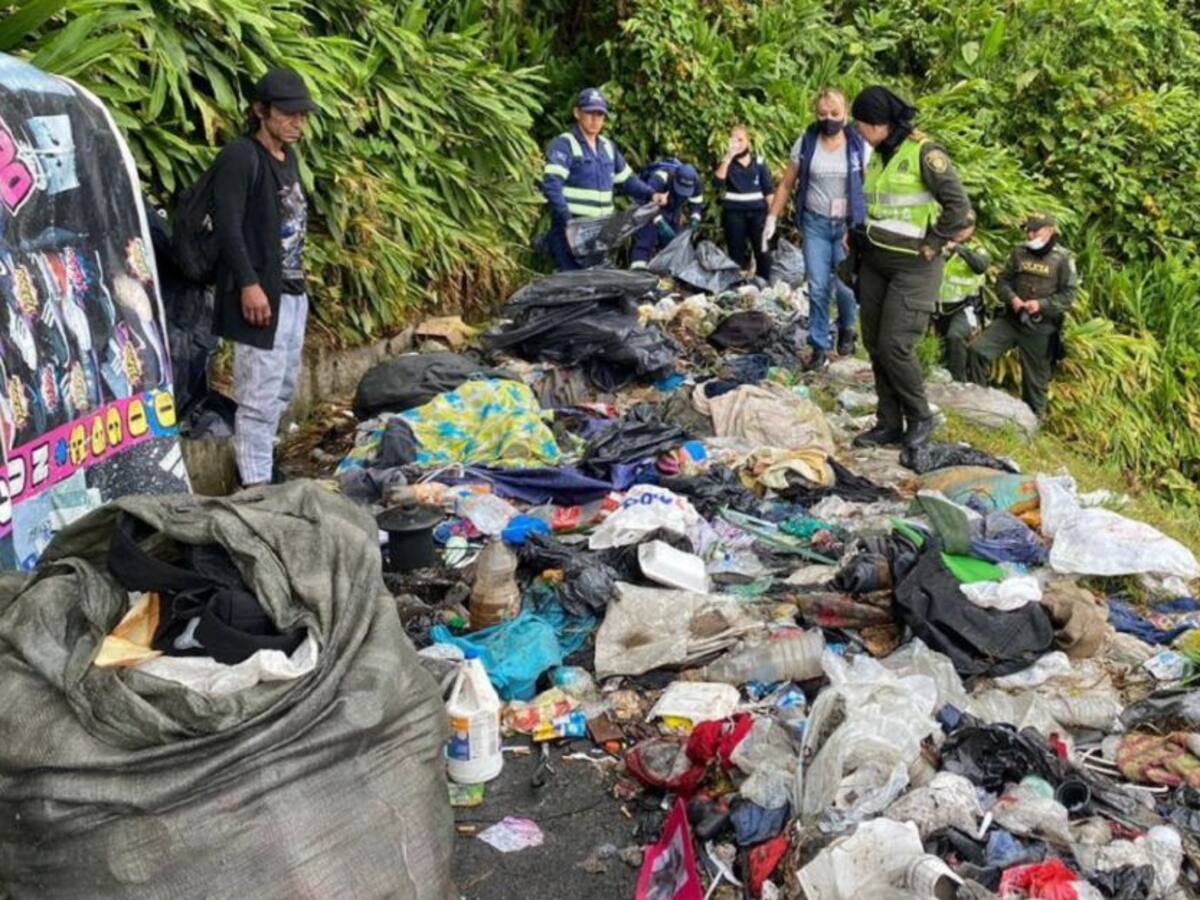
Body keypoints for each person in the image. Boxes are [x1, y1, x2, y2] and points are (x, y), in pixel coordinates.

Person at [847, 85, 973, 449]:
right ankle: (888, 422)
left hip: (914, 268)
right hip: (875, 262)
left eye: (862, 125)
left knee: (895, 346)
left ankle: (920, 416)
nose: (859, 132)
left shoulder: (924, 153)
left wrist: (934, 244)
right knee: (873, 343)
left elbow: (958, 208)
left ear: (882, 123)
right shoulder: (878, 155)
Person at [211, 67, 317, 487]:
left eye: (302, 115)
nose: (297, 123)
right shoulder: (241, 156)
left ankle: (264, 465)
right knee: (258, 392)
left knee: (283, 386)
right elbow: (228, 225)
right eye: (288, 114)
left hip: (291, 288)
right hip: (259, 292)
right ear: (260, 110)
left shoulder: (286, 157)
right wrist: (249, 285)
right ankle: (255, 485)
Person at [765, 88, 868, 370]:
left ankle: (847, 327)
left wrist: (863, 225)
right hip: (816, 224)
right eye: (822, 114)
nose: (829, 119)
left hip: (848, 226)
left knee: (846, 286)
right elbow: (787, 183)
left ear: (845, 113)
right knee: (819, 285)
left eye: (835, 114)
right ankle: (819, 345)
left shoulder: (859, 145)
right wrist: (772, 217)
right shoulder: (807, 141)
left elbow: (870, 187)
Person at [541, 88, 666, 271]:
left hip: (600, 231)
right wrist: (567, 222)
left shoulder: (608, 147)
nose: (595, 119)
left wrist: (651, 195)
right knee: (574, 284)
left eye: (599, 114)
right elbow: (552, 185)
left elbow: (628, 181)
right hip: (571, 229)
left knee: (596, 285)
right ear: (577, 113)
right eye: (590, 113)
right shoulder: (565, 144)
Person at [968, 212, 1077, 417]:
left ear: (1049, 231)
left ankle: (1033, 426)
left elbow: (1068, 296)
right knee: (977, 351)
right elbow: (1002, 281)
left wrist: (1041, 305)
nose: (1030, 234)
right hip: (1012, 320)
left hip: (1041, 327)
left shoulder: (1063, 259)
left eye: (1035, 230)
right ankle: (976, 406)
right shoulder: (1019, 252)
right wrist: (1013, 299)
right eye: (1028, 230)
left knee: (1035, 383)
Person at [715, 125, 774, 279]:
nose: (737, 143)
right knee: (735, 251)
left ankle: (763, 283)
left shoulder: (759, 163)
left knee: (762, 250)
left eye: (741, 139)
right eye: (734, 140)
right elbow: (718, 182)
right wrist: (728, 157)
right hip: (734, 213)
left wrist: (772, 216)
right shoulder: (727, 163)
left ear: (748, 141)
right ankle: (735, 285)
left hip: (758, 213)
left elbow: (768, 190)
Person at [933, 224, 990, 381]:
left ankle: (958, 381)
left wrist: (959, 248)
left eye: (965, 228)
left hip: (965, 307)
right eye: (958, 226)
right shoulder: (940, 243)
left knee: (955, 336)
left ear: (972, 229)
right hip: (937, 307)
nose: (960, 231)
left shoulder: (976, 248)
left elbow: (981, 265)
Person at [630, 159, 705, 268]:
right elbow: (645, 201)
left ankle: (668, 274)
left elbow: (697, 203)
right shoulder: (660, 178)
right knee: (645, 240)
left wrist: (695, 218)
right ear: (674, 178)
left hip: (673, 209)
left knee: (673, 242)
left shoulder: (696, 182)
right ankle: (638, 272)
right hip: (649, 209)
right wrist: (659, 221)